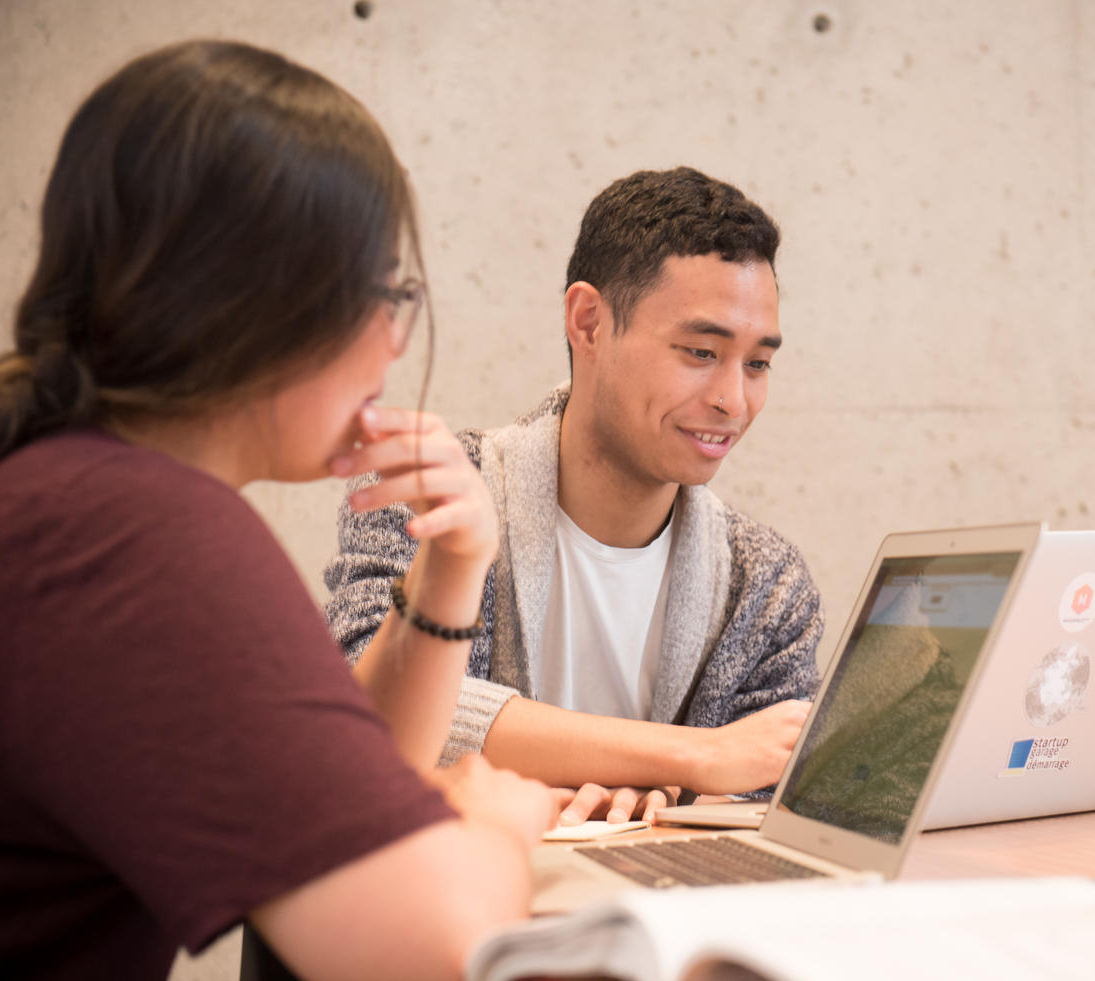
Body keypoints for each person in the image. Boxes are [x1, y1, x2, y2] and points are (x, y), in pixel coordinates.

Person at [0, 40, 558, 979]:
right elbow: (435, 949)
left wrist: (451, 568)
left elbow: (344, 796)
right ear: (278, 302)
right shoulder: (135, 534)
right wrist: (494, 824)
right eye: (390, 295)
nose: (392, 345)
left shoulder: (57, 490)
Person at [326, 168, 823, 823]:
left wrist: (647, 790)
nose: (733, 399)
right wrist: (692, 756)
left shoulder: (768, 585)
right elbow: (368, 719)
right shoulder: (430, 501)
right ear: (587, 322)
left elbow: (771, 799)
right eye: (701, 351)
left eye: (757, 364)